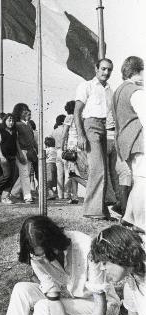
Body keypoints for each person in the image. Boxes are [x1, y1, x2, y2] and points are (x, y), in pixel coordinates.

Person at [74, 58, 115, 220]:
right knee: (97, 168)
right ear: (96, 68)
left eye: (109, 70)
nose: (106, 73)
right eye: (103, 69)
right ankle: (92, 211)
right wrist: (80, 134)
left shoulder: (110, 90)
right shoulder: (86, 86)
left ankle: (101, 210)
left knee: (103, 169)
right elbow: (77, 112)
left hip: (105, 128)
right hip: (90, 125)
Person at [113, 56, 145, 232]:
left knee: (138, 179)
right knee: (143, 181)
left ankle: (128, 217)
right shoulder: (136, 91)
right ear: (139, 71)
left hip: (124, 141)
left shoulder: (118, 91)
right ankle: (141, 222)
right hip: (139, 140)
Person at [0, 113, 20, 204]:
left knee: (12, 177)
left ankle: (5, 197)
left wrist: (20, 154)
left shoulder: (14, 132)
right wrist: (1, 156)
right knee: (7, 175)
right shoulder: (1, 131)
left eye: (13, 120)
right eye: (9, 120)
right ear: (5, 121)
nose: (11, 122)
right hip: (4, 157)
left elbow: (16, 143)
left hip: (13, 156)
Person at [10, 103, 37, 204]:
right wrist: (20, 153)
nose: (26, 111)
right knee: (25, 174)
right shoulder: (16, 124)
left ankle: (13, 193)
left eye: (26, 109)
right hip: (22, 151)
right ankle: (27, 196)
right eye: (23, 110)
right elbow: (15, 140)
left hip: (29, 151)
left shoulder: (28, 124)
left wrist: (36, 148)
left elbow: (32, 139)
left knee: (24, 174)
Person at [51, 114, 66, 199]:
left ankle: (60, 195)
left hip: (57, 152)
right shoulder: (66, 130)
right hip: (65, 151)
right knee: (67, 174)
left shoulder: (54, 131)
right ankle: (67, 193)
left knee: (59, 175)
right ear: (63, 121)